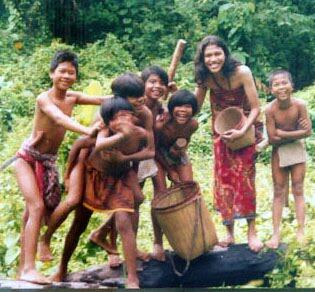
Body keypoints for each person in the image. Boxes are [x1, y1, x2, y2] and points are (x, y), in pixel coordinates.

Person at [39, 73, 154, 267]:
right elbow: (82, 146)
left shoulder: (143, 114)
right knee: (76, 207)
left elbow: (146, 148)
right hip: (88, 165)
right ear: (120, 100)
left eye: (142, 94)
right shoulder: (106, 116)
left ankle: (114, 243)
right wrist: (70, 175)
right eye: (135, 97)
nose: (142, 99)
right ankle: (46, 240)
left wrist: (128, 165)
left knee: (131, 204)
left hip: (118, 169)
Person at [13, 50, 107, 284]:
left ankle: (21, 269)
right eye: (62, 71)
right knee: (35, 208)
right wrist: (88, 131)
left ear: (76, 76)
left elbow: (103, 100)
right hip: (27, 159)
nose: (66, 75)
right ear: (51, 73)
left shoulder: (73, 97)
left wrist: (136, 95)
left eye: (71, 72)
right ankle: (29, 268)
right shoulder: (43, 99)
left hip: (48, 163)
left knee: (30, 215)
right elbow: (59, 119)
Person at [52, 97, 149, 288]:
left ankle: (132, 277)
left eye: (129, 116)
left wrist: (133, 179)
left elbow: (140, 155)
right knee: (79, 223)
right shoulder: (101, 133)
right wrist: (68, 174)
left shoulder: (140, 134)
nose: (125, 121)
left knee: (124, 222)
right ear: (109, 121)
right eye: (120, 117)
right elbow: (78, 145)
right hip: (94, 177)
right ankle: (62, 268)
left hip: (119, 178)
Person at [194, 35, 263, 252]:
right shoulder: (205, 78)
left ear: (225, 53)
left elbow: (255, 108)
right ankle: (229, 233)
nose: (213, 59)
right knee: (224, 181)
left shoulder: (242, 72)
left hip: (245, 129)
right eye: (208, 56)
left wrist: (242, 130)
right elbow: (193, 107)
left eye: (217, 54)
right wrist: (174, 95)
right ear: (203, 59)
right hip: (221, 134)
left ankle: (252, 232)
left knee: (245, 179)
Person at [265, 70, 312, 249]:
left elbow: (307, 132)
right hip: (279, 152)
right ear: (271, 90)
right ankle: (275, 234)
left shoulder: (300, 105)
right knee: (278, 190)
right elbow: (271, 138)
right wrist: (296, 133)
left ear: (291, 85)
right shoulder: (270, 110)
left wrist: (283, 133)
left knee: (298, 189)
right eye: (276, 84)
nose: (281, 87)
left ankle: (300, 230)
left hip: (297, 150)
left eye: (284, 83)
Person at [151, 89, 199, 260]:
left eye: (187, 106)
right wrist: (170, 170)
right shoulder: (161, 123)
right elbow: (153, 149)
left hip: (175, 153)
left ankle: (192, 237)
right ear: (171, 108)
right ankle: (158, 242)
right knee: (161, 195)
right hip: (157, 155)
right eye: (178, 106)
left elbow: (185, 141)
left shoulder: (193, 124)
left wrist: (179, 151)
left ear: (193, 109)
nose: (183, 110)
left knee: (189, 190)